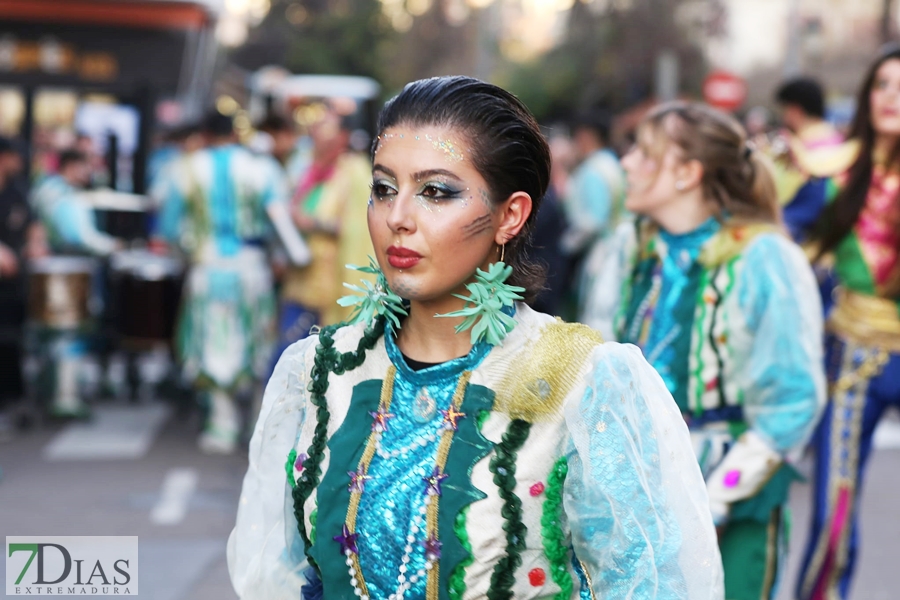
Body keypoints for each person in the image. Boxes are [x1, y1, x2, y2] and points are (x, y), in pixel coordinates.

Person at [227, 76, 723, 599]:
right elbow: (272, 577)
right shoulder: (318, 372)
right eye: (383, 188)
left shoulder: (584, 382)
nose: (398, 218)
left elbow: (648, 585)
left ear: (510, 215)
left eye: (436, 192)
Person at [592, 101, 825, 600]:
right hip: (636, 489)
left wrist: (712, 501)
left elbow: (792, 401)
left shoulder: (764, 257)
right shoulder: (630, 247)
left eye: (644, 152)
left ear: (687, 173)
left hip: (731, 489)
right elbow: (598, 358)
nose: (626, 162)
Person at [792, 46, 900, 600]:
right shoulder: (836, 172)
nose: (890, 97)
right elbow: (779, 237)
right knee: (834, 513)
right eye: (881, 84)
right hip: (855, 355)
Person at [153, 111, 306, 454]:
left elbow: (167, 227)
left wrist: (185, 255)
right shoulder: (263, 169)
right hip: (253, 269)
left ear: (204, 135)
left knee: (211, 341)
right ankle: (258, 420)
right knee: (256, 340)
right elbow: (281, 223)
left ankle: (221, 424)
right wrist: (290, 258)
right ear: (235, 134)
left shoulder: (185, 170)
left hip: (207, 270)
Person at [273, 104, 373, 363]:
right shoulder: (310, 169)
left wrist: (313, 223)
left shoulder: (354, 171)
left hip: (331, 283)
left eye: (325, 130)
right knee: (289, 355)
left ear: (342, 137)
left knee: (318, 358)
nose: (317, 136)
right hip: (300, 274)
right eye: (315, 130)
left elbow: (360, 226)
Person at [0, 137, 47, 435]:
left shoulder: (16, 189)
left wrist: (36, 242)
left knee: (10, 341)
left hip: (12, 284)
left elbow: (34, 222)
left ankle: (11, 400)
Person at [31, 150, 120, 256]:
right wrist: (113, 245)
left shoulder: (46, 185)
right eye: (84, 166)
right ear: (70, 166)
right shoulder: (64, 194)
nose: (88, 171)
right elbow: (79, 238)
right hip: (65, 258)